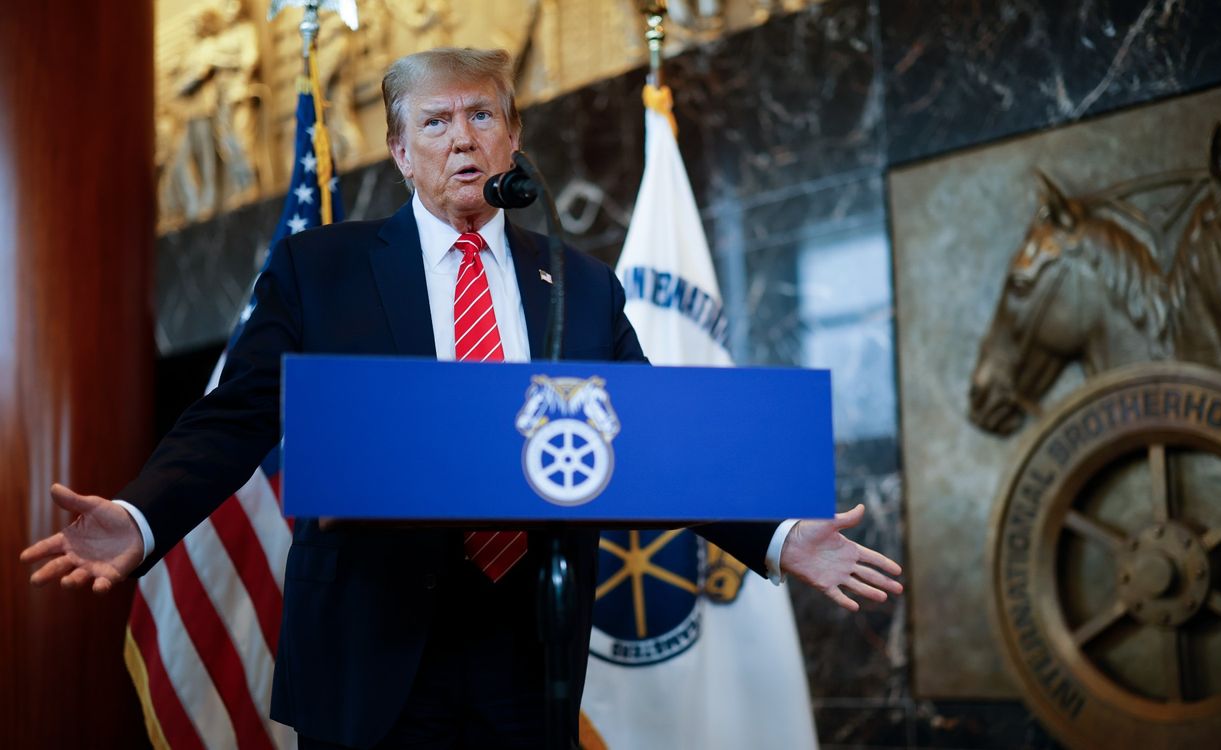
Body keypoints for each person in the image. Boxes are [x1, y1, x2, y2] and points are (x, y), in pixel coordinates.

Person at [20, 48, 903, 750]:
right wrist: (141, 518)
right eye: (436, 121)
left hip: (530, 655)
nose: (462, 138)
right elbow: (236, 416)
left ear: (513, 140)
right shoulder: (321, 271)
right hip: (371, 649)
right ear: (402, 153)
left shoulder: (582, 284)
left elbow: (654, 440)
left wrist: (780, 536)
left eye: (482, 115)